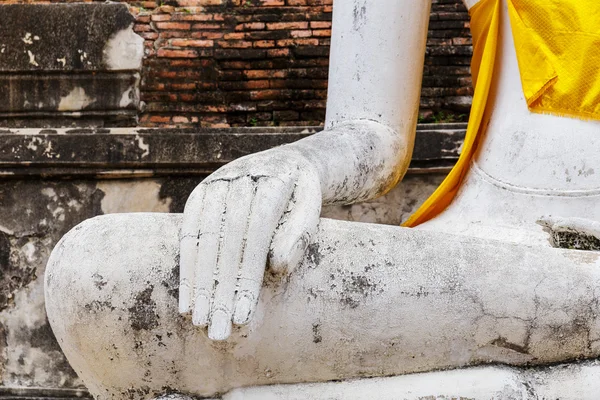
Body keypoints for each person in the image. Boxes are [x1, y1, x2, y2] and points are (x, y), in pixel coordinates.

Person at [45, 0, 600, 398]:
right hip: (494, 251)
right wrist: (298, 163)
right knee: (97, 275)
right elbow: (370, 131)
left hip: (549, 272)